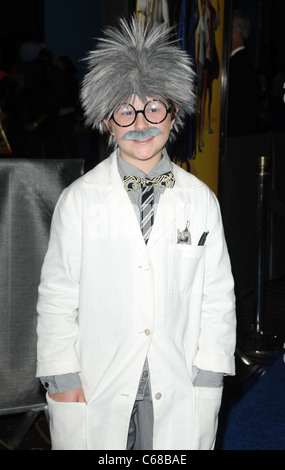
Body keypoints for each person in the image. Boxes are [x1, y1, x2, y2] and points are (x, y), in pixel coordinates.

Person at [36, 16, 236, 450]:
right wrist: (62, 376)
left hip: (179, 379)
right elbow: (57, 295)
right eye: (124, 111)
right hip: (97, 380)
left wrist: (210, 371)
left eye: (154, 107)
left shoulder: (201, 201)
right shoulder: (80, 201)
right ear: (107, 121)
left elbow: (217, 295)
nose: (140, 123)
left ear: (174, 113)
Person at [227, 10, 258, 137]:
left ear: (237, 33)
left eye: (228, 31)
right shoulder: (244, 62)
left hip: (236, 136)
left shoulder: (238, 65)